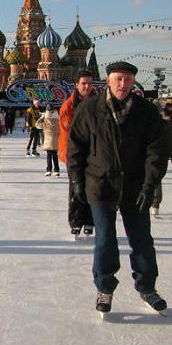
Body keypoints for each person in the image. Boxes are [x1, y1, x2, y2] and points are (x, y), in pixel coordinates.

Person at [67, 61, 168, 315]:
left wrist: (150, 183)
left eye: (127, 79)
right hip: (101, 185)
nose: (123, 84)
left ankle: (147, 287)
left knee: (142, 240)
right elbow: (76, 148)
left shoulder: (146, 111)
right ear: (109, 81)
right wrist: (77, 180)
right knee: (105, 241)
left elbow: (157, 150)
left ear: (133, 81)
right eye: (118, 79)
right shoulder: (90, 109)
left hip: (135, 187)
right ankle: (105, 288)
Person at [59, 69, 96, 237]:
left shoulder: (99, 103)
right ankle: (75, 221)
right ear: (77, 85)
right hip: (74, 153)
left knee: (93, 188)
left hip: (95, 153)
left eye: (89, 83)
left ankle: (89, 221)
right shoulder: (69, 105)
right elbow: (68, 131)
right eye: (83, 83)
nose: (87, 86)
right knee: (75, 187)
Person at [151, 101, 172, 218]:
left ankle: (155, 204)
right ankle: (155, 204)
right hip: (155, 152)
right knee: (155, 178)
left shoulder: (164, 122)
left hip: (158, 153)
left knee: (156, 177)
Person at [41, 104, 60, 177]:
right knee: (55, 155)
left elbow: (38, 125)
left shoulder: (45, 117)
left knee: (49, 155)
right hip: (55, 138)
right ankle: (56, 170)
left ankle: (49, 170)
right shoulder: (57, 117)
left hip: (48, 138)